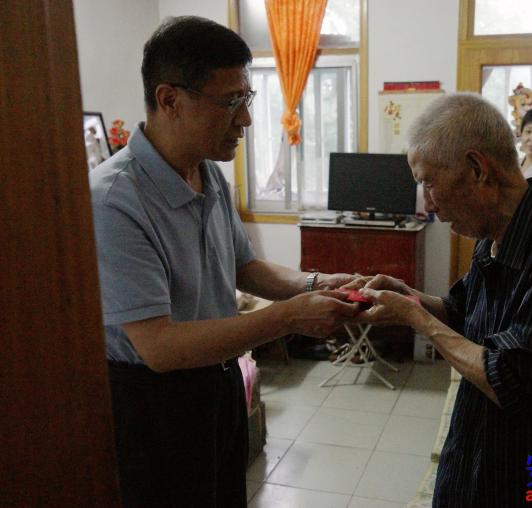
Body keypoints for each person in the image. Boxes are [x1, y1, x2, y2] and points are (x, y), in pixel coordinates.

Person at [89, 16, 359, 508]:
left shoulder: (208, 173)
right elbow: (159, 346)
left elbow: (244, 267)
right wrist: (288, 318)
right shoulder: (114, 201)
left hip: (219, 383)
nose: (246, 119)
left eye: (246, 98)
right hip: (155, 405)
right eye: (231, 101)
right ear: (170, 100)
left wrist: (317, 283)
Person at [348, 93, 532, 507]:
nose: (427, 203)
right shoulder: (493, 237)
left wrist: (415, 317)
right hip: (477, 461)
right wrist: (406, 295)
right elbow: (460, 313)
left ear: (478, 169)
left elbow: (511, 380)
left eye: (429, 182)